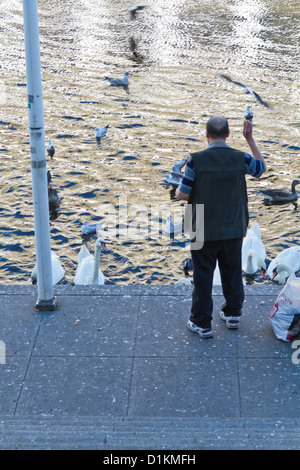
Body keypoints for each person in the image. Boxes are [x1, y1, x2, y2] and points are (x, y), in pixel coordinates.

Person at [175, 115, 266, 338]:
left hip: (202, 227)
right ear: (228, 134)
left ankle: (202, 323)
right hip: (233, 226)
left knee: (203, 275)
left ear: (206, 135)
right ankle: (233, 314)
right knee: (232, 271)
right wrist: (250, 139)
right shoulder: (240, 158)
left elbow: (183, 194)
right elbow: (260, 169)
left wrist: (178, 193)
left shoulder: (195, 160)